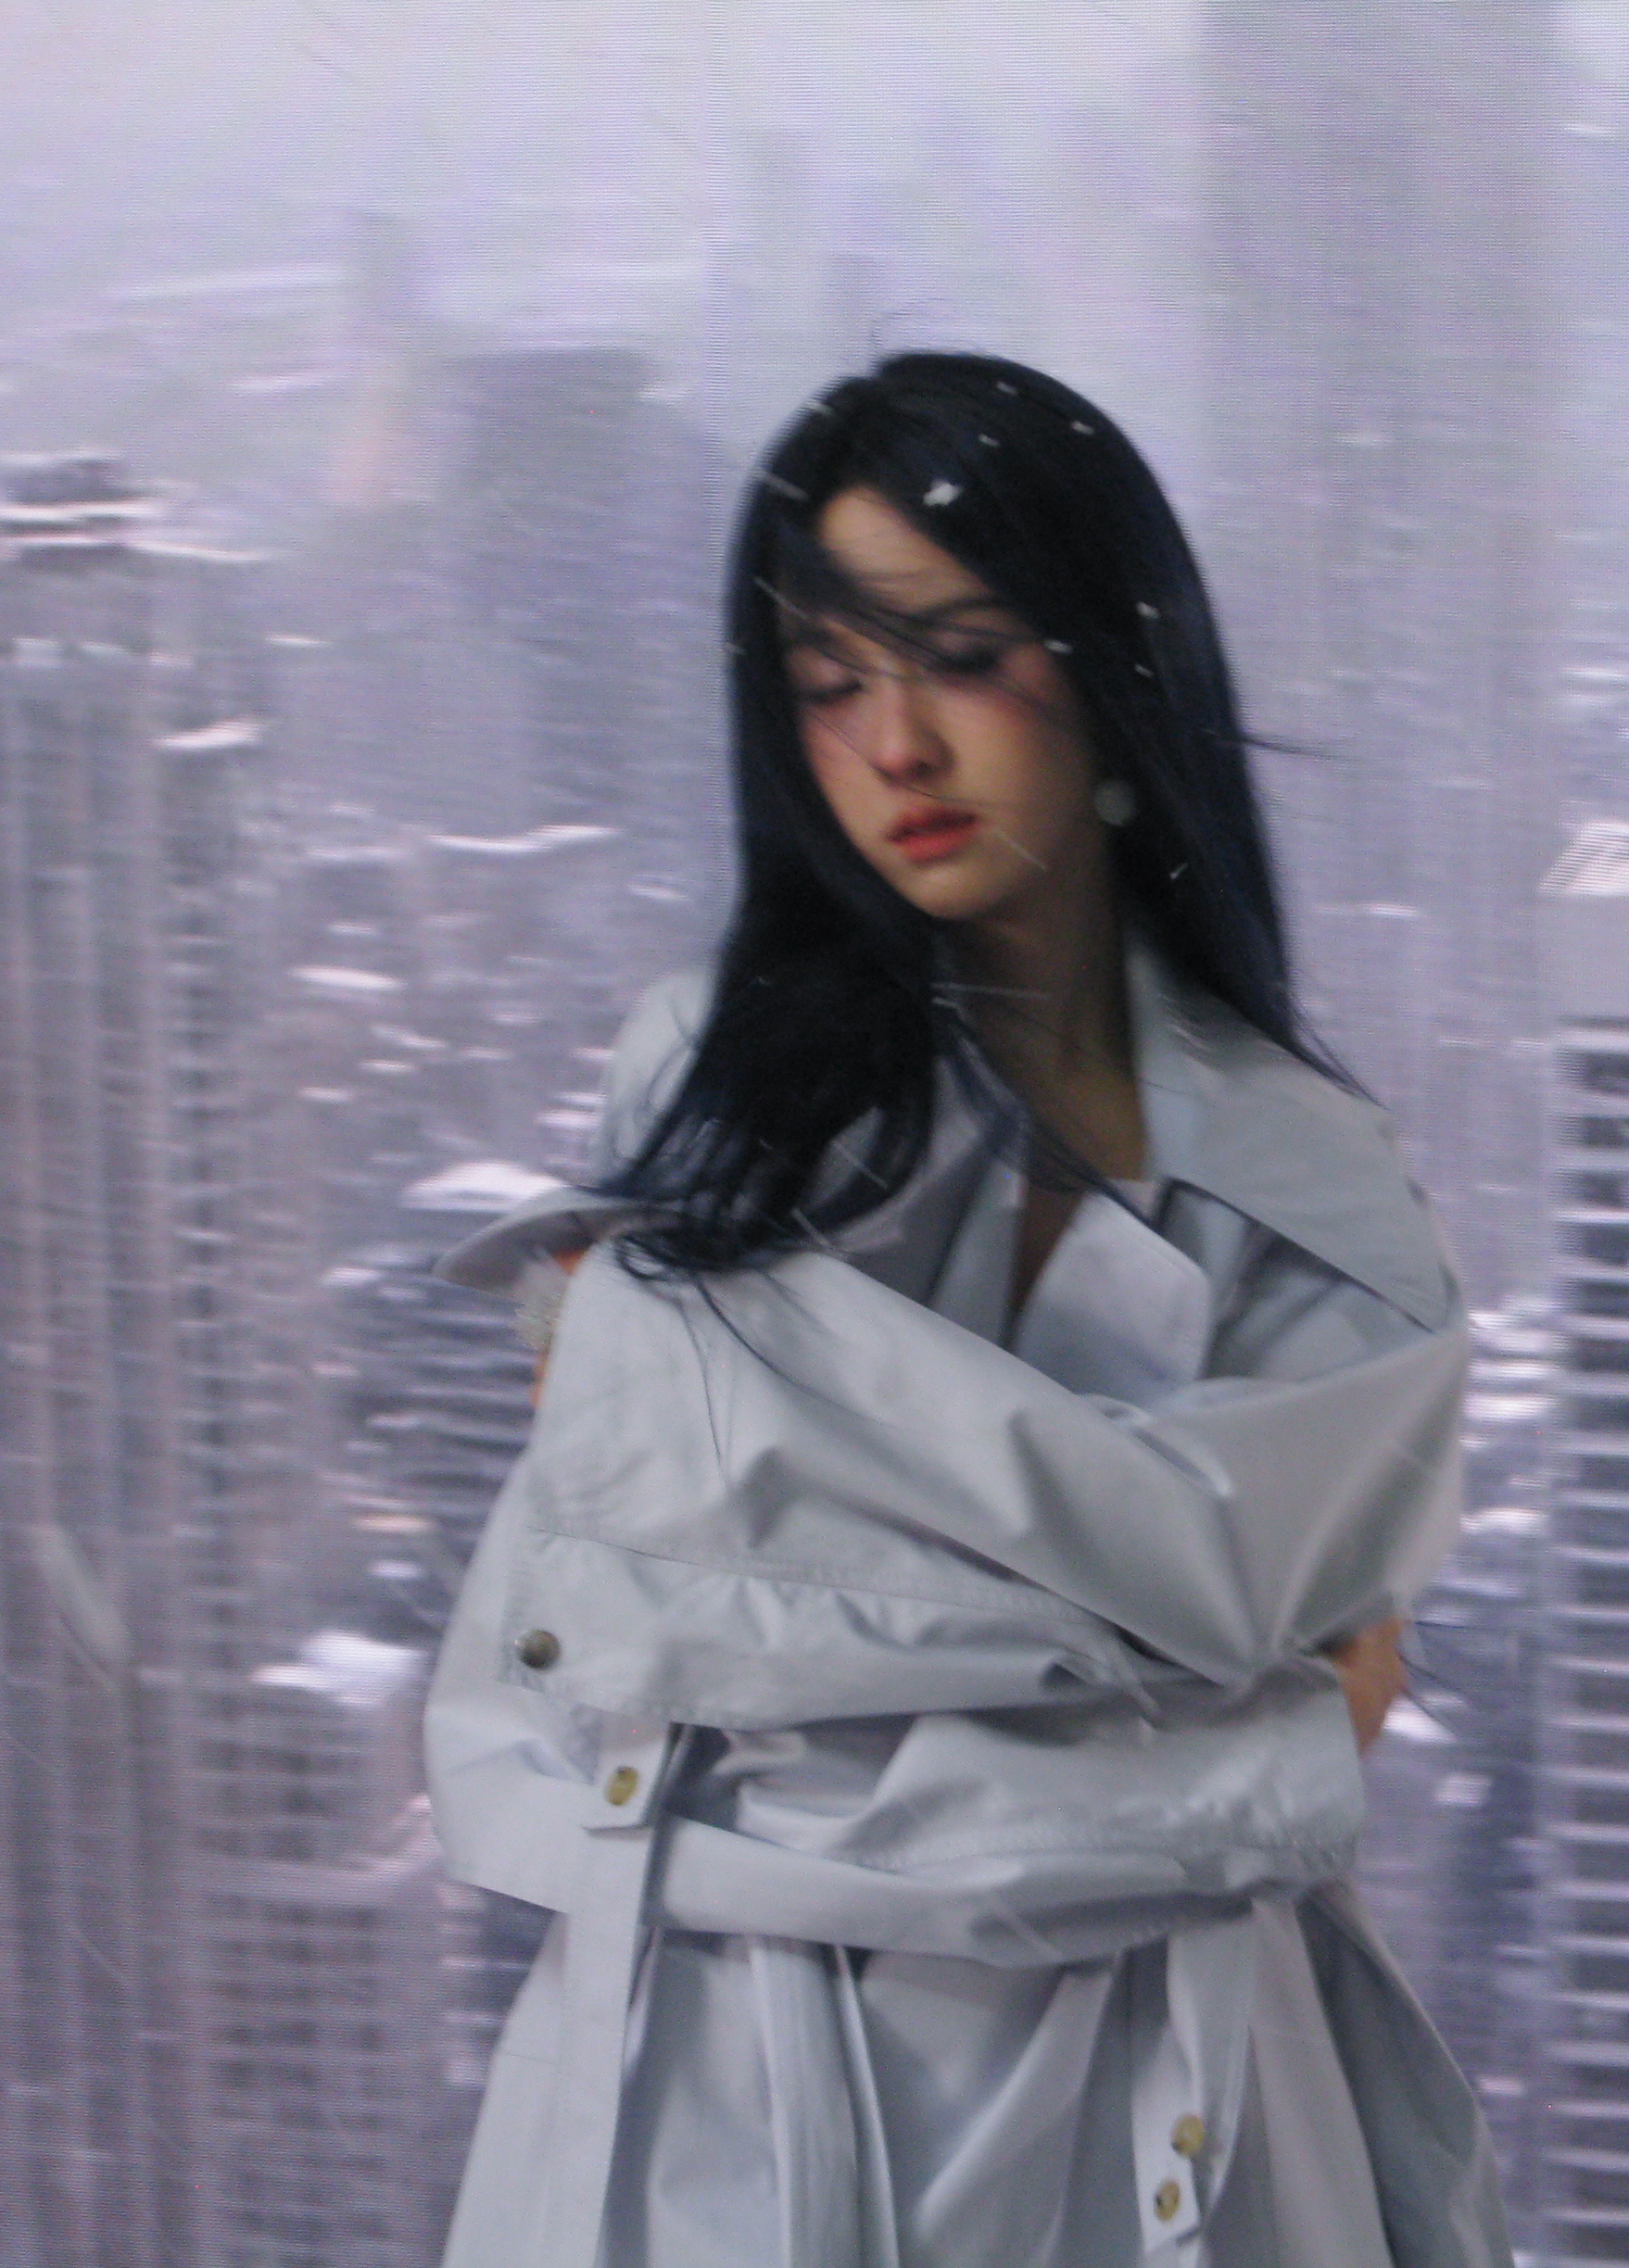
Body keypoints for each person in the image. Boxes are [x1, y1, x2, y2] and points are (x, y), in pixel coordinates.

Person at [423, 352, 1511, 2268]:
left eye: (962, 655)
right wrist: (1194, 1696)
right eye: (830, 683)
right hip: (725, 2088)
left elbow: (1278, 1661)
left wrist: (722, 1426)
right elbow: (602, 1648)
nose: (896, 746)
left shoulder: (1318, 1183)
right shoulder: (708, 1090)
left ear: (1114, 671)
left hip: (1184, 2094)